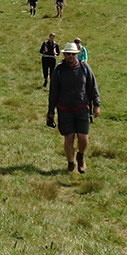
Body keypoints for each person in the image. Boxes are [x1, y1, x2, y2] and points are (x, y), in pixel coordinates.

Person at [46, 43, 100, 173]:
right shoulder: (58, 71)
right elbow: (53, 92)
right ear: (64, 54)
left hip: (82, 109)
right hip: (64, 110)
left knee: (83, 137)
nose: (71, 56)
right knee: (68, 137)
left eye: (73, 54)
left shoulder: (84, 68)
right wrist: (50, 112)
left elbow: (93, 86)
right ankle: (71, 163)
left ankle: (80, 156)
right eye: (68, 54)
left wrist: (96, 104)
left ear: (77, 54)